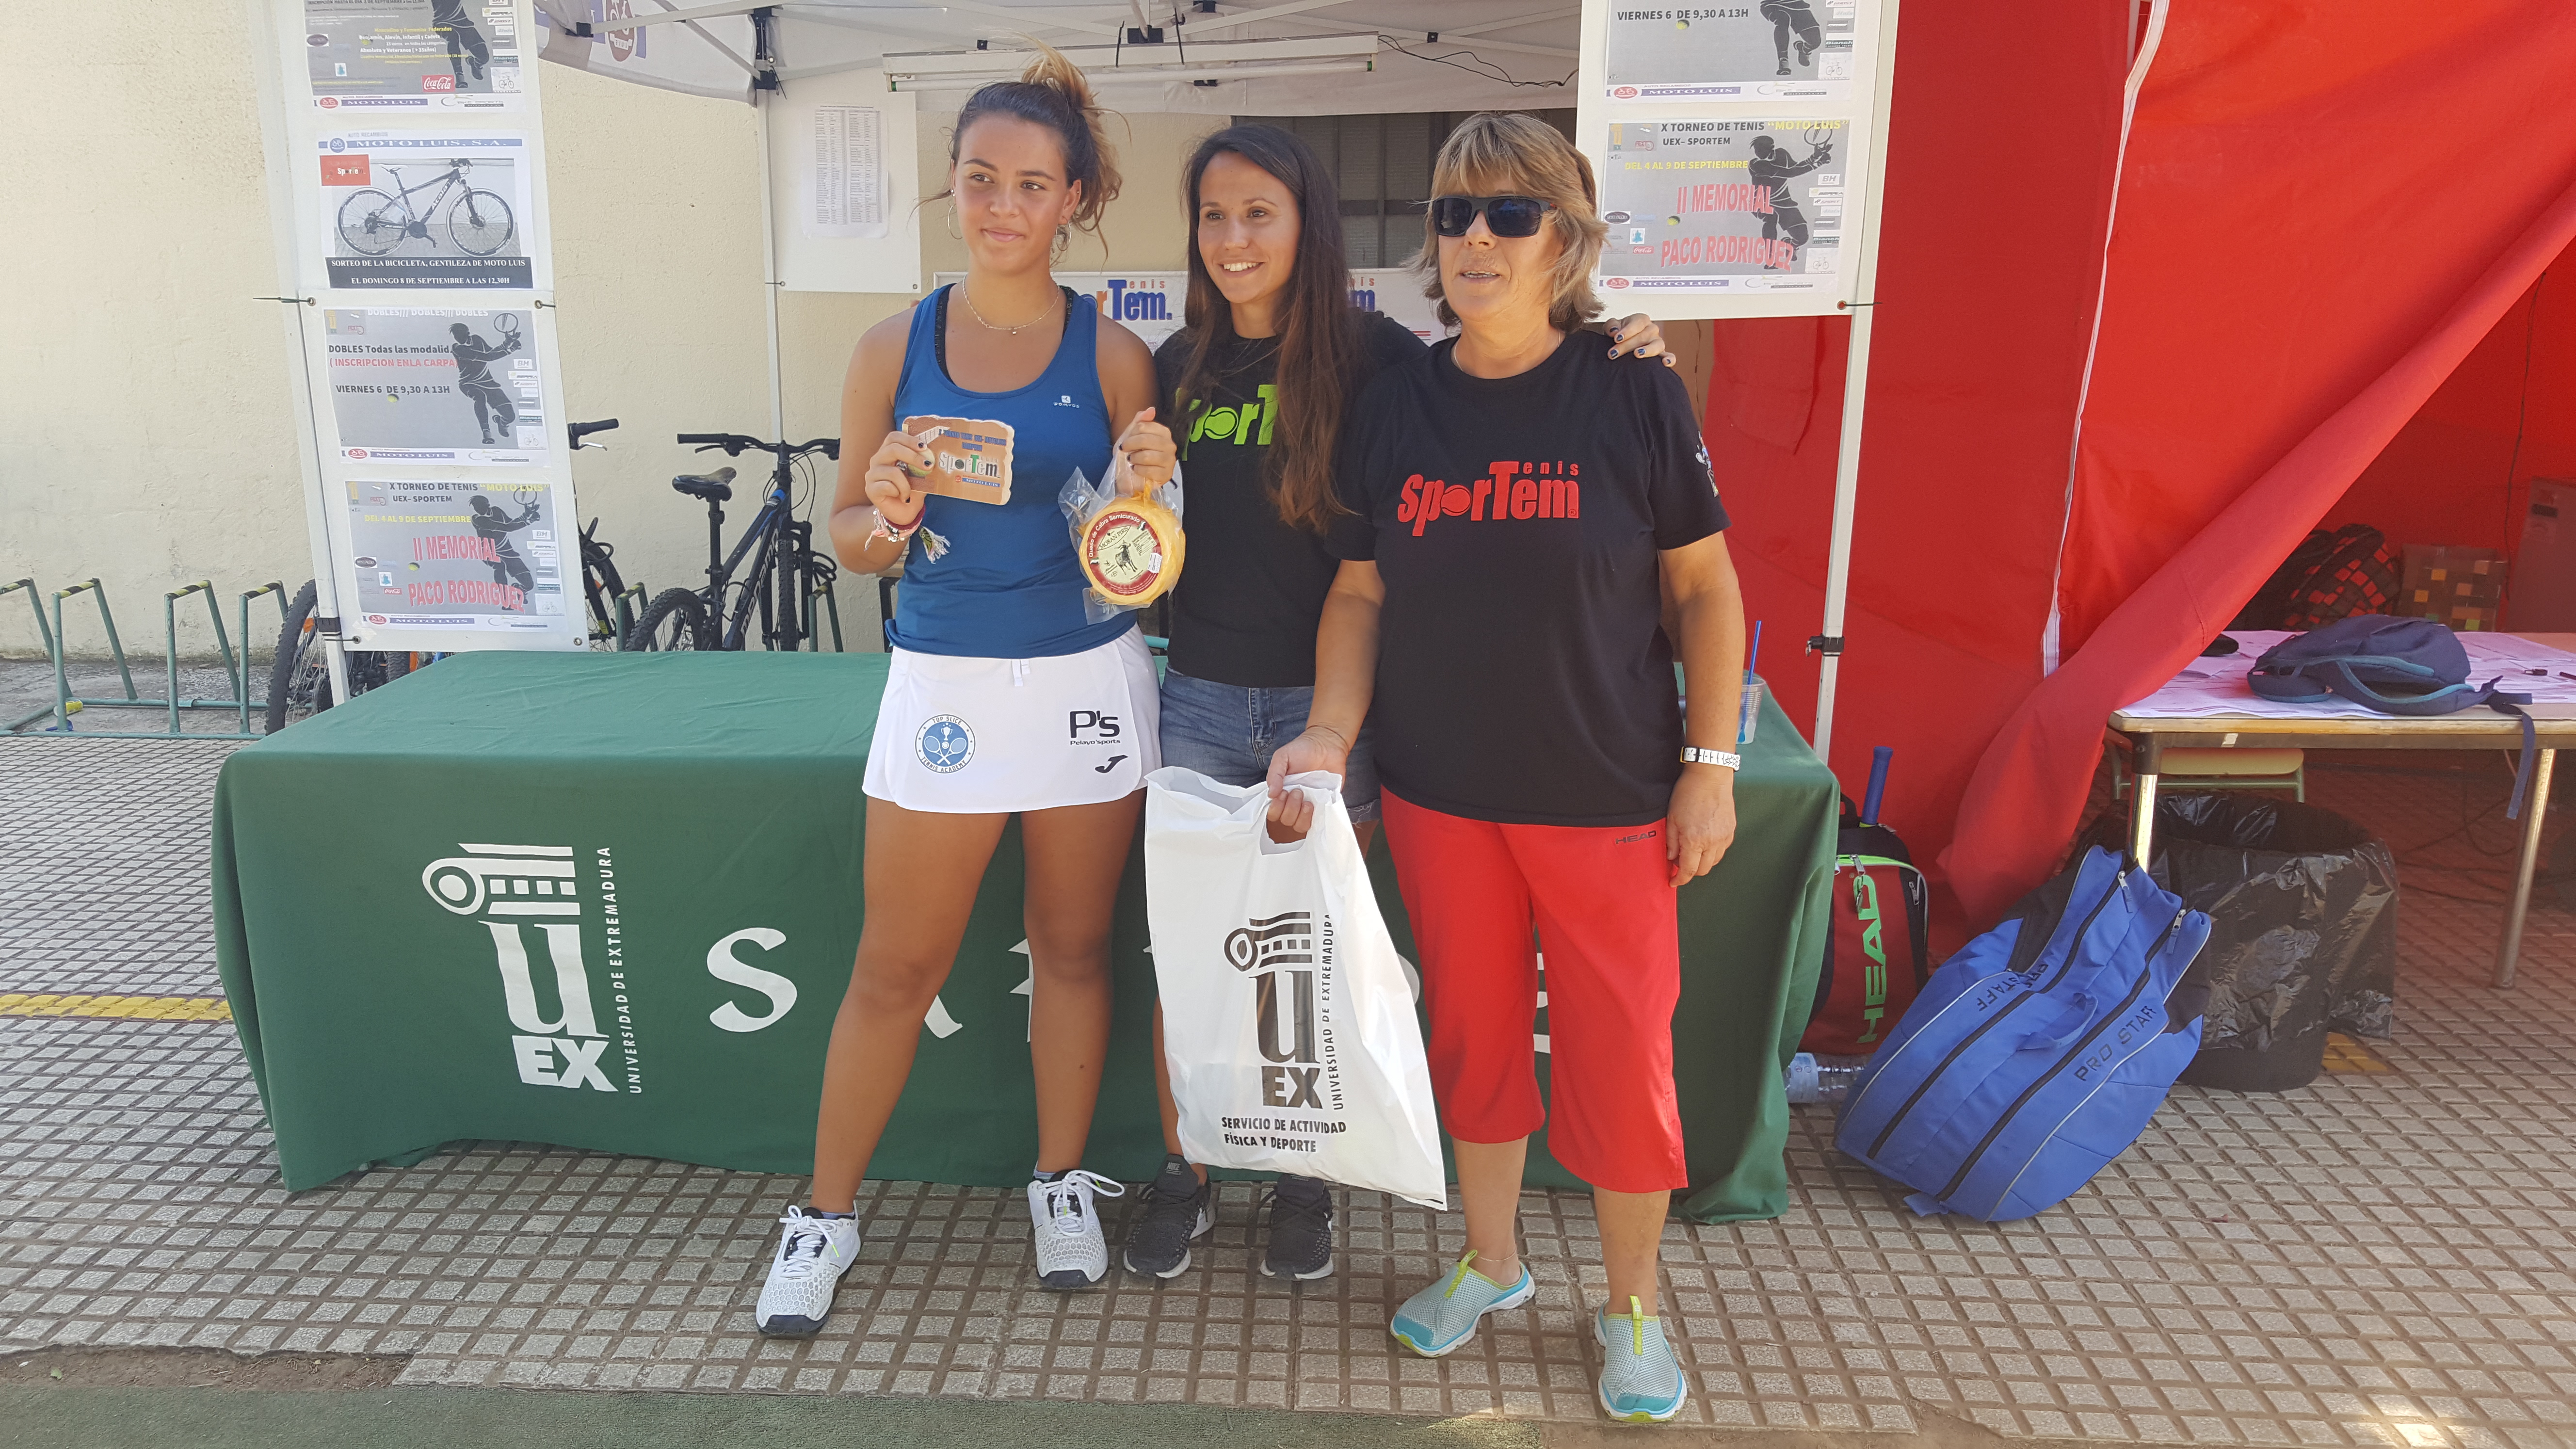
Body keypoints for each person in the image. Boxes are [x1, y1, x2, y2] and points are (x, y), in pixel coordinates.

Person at [1118, 124, 1672, 1285]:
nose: (1232, 237)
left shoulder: (1377, 359)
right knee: (1195, 950)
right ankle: (1189, 1168)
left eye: (1258, 213)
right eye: (1213, 215)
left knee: (1312, 953)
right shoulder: (1176, 363)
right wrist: (1130, 493)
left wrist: (1615, 334)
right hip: (1204, 690)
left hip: (1339, 705)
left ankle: (1303, 1175)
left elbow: (1510, 380)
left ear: (1307, 224)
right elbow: (1144, 545)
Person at [1266, 112, 1747, 1424]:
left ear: (1564, 238)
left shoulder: (1632, 387)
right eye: (1453, 213)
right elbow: (1359, 591)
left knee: (1621, 1057)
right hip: (1442, 793)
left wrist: (1709, 762)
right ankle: (1491, 1259)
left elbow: (1703, 588)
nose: (1476, 238)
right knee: (1475, 1040)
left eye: (1509, 214)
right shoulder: (1398, 402)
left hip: (1607, 796)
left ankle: (1632, 1303)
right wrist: (1330, 730)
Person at [754, 44, 1178, 1336]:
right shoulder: (894, 345)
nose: (1002, 204)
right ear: (953, 183)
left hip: (1087, 677)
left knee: (1075, 947)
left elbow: (1142, 550)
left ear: (1073, 200)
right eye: (982, 178)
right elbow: (847, 535)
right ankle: (824, 1214)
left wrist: (1144, 494)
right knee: (896, 962)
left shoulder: (1117, 356)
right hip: (941, 680)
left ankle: (1060, 1181)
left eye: (1032, 185)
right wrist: (885, 516)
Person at [1747, 133, 1830, 268]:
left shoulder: (1782, 154)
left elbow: (1795, 167)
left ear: (1771, 148)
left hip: (1783, 201)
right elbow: (1789, 173)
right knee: (1771, 217)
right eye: (1757, 150)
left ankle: (1790, 246)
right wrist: (1818, 163)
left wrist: (1814, 157)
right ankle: (1771, 259)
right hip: (1762, 202)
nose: (1758, 153)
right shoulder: (1756, 164)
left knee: (1802, 238)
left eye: (1761, 150)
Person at [447, 322, 518, 445]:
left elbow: (491, 352)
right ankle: (487, 433)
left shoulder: (477, 339)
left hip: (489, 383)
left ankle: (502, 423)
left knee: (510, 417)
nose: (458, 338)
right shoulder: (457, 348)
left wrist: (507, 343)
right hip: (468, 383)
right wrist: (511, 350)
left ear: (467, 333)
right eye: (455, 336)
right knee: (480, 397)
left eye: (460, 335)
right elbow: (488, 358)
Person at [466, 494, 537, 596]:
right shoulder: (477, 519)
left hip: (506, 550)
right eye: (475, 507)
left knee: (529, 585)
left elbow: (511, 524)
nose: (477, 509)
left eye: (480, 506)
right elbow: (507, 528)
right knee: (500, 565)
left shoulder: (496, 511)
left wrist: (526, 515)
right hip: (488, 552)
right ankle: (505, 596)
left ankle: (519, 592)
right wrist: (530, 521)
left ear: (488, 505)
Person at [429, 0, 491, 87]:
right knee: (453, 37)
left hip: (463, 23)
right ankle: (460, 76)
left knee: (484, 58)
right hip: (442, 22)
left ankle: (476, 64)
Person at [1759, 0, 1822, 75]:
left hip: (1798, 5)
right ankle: (1783, 60)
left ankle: (1803, 49)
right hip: (1773, 5)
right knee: (1783, 19)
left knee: (1815, 42)